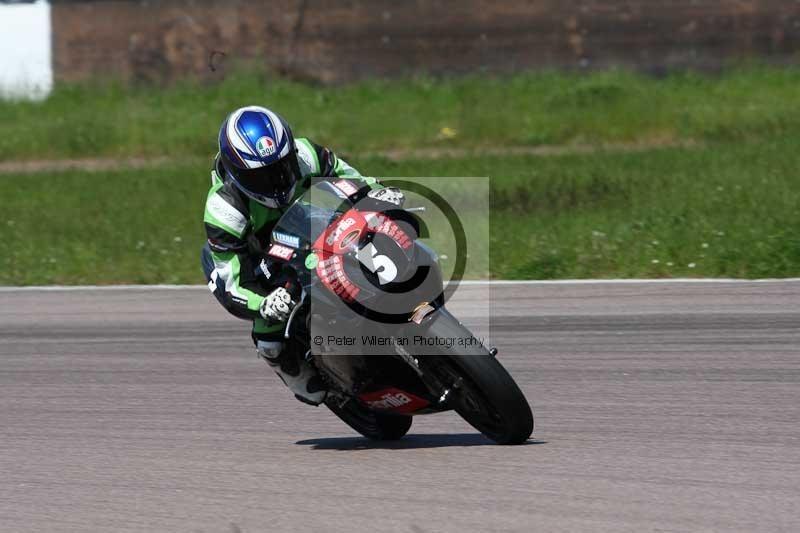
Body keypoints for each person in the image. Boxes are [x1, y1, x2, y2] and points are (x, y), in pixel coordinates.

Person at [200, 106, 404, 404]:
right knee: (271, 338)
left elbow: (350, 177)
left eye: (281, 167)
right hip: (262, 264)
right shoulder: (224, 209)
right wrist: (264, 303)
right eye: (262, 177)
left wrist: (377, 191)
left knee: (377, 234)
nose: (276, 181)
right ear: (237, 174)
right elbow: (233, 284)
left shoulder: (304, 154)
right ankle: (291, 368)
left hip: (314, 226)